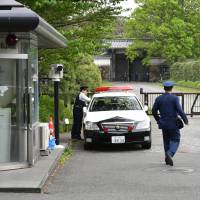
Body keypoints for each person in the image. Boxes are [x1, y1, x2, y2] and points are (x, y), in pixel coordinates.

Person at [152, 81, 188, 166]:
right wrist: (185, 120)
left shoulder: (158, 99)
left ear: (164, 88)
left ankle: (167, 159)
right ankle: (170, 153)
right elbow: (180, 110)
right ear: (172, 88)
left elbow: (154, 111)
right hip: (173, 123)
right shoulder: (175, 98)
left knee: (166, 141)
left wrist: (158, 120)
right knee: (176, 139)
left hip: (163, 124)